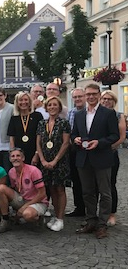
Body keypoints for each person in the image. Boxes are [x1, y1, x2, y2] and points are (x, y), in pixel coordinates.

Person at [71, 83, 119, 239]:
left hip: (102, 157)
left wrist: (99, 142)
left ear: (99, 95)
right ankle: (91, 220)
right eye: (88, 94)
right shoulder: (79, 114)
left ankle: (102, 224)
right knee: (87, 192)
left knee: (105, 193)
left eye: (93, 94)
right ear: (85, 96)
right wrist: (75, 139)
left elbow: (114, 136)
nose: (90, 97)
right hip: (83, 158)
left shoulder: (108, 113)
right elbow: (73, 135)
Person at [36, 96, 70, 232]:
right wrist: (43, 160)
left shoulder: (64, 123)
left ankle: (60, 218)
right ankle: (55, 216)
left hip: (60, 161)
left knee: (60, 189)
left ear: (59, 107)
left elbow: (66, 143)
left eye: (55, 105)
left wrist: (55, 160)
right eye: (49, 105)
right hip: (45, 161)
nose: (52, 107)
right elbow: (38, 143)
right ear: (46, 107)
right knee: (50, 189)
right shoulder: (41, 123)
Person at [0, 148, 48, 233]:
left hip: (37, 202)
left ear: (23, 158)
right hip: (23, 199)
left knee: (27, 215)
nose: (15, 158)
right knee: (0, 188)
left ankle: (38, 218)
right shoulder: (11, 172)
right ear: (10, 159)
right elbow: (15, 190)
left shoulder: (33, 171)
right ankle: (5, 220)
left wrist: (24, 207)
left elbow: (42, 194)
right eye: (13, 156)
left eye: (18, 156)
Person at [98, 90, 126, 226]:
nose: (106, 101)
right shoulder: (95, 114)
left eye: (109, 99)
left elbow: (121, 137)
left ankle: (111, 213)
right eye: (104, 99)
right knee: (97, 185)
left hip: (110, 154)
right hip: (96, 153)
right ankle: (100, 212)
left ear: (114, 101)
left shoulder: (118, 116)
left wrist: (107, 147)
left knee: (110, 185)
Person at [65, 88, 86, 217]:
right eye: (75, 97)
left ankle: (90, 208)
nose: (77, 99)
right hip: (74, 150)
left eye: (80, 96)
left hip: (88, 150)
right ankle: (79, 207)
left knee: (88, 181)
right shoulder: (71, 112)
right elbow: (69, 131)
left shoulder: (90, 112)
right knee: (76, 181)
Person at [7, 91, 43, 165]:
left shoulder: (37, 116)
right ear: (17, 103)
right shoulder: (14, 118)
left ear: (30, 102)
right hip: (19, 155)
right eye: (21, 100)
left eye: (26, 100)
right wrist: (14, 155)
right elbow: (12, 139)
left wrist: (37, 154)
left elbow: (41, 137)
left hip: (34, 153)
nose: (23, 102)